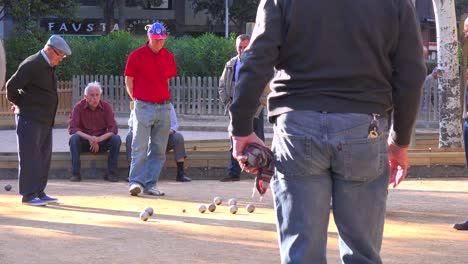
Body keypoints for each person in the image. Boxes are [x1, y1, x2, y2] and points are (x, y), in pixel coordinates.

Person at [228, 1, 426, 263]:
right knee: (362, 254)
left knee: (301, 252)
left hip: (297, 124)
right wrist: (400, 140)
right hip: (364, 124)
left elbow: (257, 59)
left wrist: (241, 128)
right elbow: (411, 73)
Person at [6, 35, 72, 206]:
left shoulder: (48, 65)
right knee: (29, 157)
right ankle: (28, 195)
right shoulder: (32, 64)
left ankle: (39, 192)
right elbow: (11, 87)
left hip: (44, 120)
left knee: (43, 157)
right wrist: (21, 104)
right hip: (29, 118)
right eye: (60, 55)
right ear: (49, 49)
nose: (61, 59)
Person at [124, 21, 177, 196]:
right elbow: (129, 81)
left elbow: (166, 80)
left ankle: (151, 184)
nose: (158, 43)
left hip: (164, 107)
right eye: (155, 39)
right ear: (149, 37)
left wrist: (161, 99)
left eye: (161, 39)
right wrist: (138, 100)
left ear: (165, 38)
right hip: (143, 106)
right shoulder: (136, 55)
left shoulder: (168, 56)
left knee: (159, 148)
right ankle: (135, 182)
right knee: (139, 145)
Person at [218, 34, 266, 182]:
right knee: (234, 142)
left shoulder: (259, 64)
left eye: (245, 47)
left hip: (254, 109)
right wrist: (228, 104)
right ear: (236, 47)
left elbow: (265, 89)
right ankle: (234, 173)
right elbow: (222, 86)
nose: (242, 50)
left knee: (257, 142)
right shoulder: (230, 64)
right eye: (240, 47)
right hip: (235, 110)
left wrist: (258, 108)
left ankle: (261, 173)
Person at [68, 81, 121, 182]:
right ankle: (76, 173)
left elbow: (113, 129)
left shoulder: (106, 107)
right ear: (85, 97)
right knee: (73, 139)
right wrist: (90, 138)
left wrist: (99, 139)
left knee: (116, 139)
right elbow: (73, 128)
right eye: (92, 95)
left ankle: (111, 173)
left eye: (97, 95)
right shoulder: (78, 107)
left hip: (102, 141)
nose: (95, 98)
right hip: (84, 142)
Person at [126, 102, 192, 182]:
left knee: (178, 137)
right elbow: (132, 127)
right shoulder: (139, 105)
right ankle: (132, 173)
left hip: (162, 139)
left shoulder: (168, 106)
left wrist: (159, 134)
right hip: (143, 140)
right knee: (130, 137)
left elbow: (173, 126)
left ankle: (180, 173)